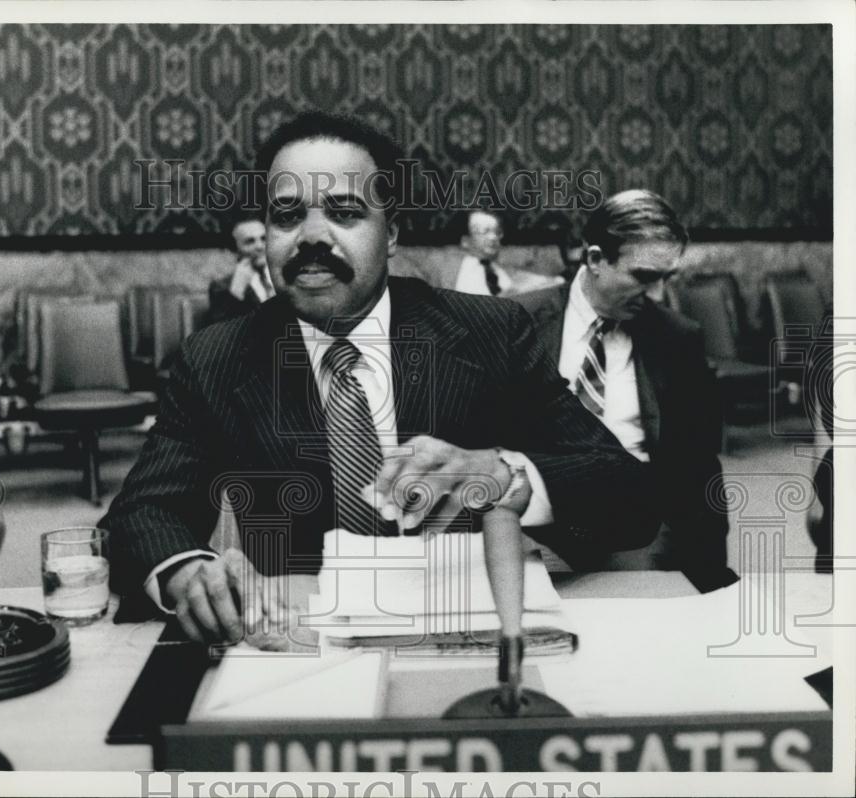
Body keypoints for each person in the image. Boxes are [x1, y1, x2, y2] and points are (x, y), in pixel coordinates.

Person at [100, 112, 658, 644]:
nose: (311, 238)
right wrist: (186, 571)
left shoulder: (487, 332)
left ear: (390, 233)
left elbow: (628, 495)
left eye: (344, 212)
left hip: (469, 632)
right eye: (288, 216)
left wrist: (504, 475)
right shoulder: (216, 358)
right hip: (299, 641)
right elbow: (143, 513)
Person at [516, 189, 736, 591]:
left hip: (633, 520)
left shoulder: (677, 337)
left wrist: (710, 574)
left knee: (637, 609)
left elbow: (698, 463)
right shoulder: (519, 321)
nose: (657, 294)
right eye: (643, 277)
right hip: (536, 513)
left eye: (666, 278)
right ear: (596, 259)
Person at [207, 214, 275, 324]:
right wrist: (236, 292)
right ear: (235, 249)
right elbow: (221, 333)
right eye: (250, 241)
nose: (260, 246)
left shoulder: (282, 277)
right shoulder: (221, 287)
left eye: (264, 239)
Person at [453, 209, 514, 296]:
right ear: (465, 241)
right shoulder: (458, 272)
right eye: (485, 231)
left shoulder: (499, 270)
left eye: (497, 232)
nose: (493, 237)